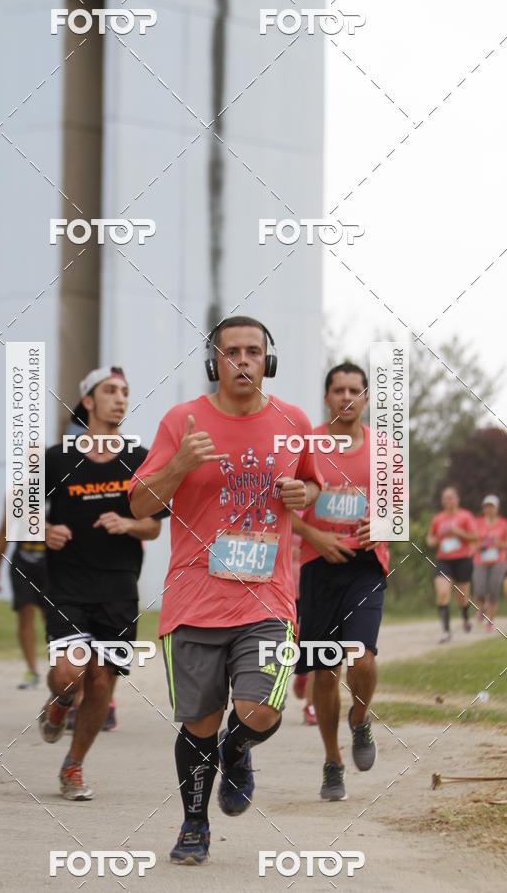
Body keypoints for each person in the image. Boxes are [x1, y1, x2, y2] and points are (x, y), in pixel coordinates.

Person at [129, 316, 321, 865]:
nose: (242, 360)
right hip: (194, 596)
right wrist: (180, 466)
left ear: (269, 360)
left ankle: (237, 753)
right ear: (214, 362)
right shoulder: (182, 420)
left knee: (258, 710)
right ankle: (194, 824)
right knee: (199, 723)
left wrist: (301, 493)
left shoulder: (294, 421)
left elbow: (311, 484)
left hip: (269, 598)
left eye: (253, 351)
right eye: (231, 351)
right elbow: (140, 505)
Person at [37, 366, 165, 801]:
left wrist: (128, 524)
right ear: (88, 401)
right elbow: (24, 514)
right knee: (71, 673)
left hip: (117, 588)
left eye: (125, 392)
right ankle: (59, 702)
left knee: (100, 681)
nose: (120, 398)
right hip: (67, 585)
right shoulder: (56, 458)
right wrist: (44, 532)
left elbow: (153, 528)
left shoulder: (140, 458)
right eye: (110, 391)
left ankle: (73, 767)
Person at [292, 363, 389, 802]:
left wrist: (386, 526)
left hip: (365, 565)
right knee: (325, 671)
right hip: (317, 565)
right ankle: (333, 762)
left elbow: (398, 509)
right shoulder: (307, 444)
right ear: (327, 397)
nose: (347, 397)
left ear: (366, 399)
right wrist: (315, 535)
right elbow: (283, 509)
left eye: (355, 390)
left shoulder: (384, 449)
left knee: (362, 659)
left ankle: (361, 718)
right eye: (339, 390)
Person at [0, 511, 47, 688]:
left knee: (53, 619)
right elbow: (3, 532)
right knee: (25, 614)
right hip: (23, 564)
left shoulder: (57, 490)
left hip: (51, 565)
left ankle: (60, 669)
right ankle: (32, 671)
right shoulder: (16, 492)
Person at [426, 487, 477, 643]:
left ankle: (465, 616)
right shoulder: (438, 519)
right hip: (444, 560)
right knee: (442, 593)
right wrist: (435, 539)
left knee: (462, 597)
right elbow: (430, 540)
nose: (448, 501)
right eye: (445, 498)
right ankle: (446, 632)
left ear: (457, 499)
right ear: (442, 501)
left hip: (463, 559)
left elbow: (475, 537)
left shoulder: (465, 516)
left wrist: (458, 532)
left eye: (451, 497)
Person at [290, 531, 316, 725]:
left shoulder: (320, 503)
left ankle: (311, 705)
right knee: (290, 640)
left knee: (315, 640)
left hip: (312, 579)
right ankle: (302, 670)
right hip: (284, 584)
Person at [472, 494, 507, 632]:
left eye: (491, 506)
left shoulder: (503, 524)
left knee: (493, 592)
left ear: (496, 508)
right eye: (486, 506)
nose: (488, 509)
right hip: (480, 560)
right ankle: (482, 608)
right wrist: (479, 545)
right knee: (479, 590)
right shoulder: (477, 522)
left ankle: (490, 621)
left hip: (497, 561)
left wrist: (499, 543)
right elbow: (471, 540)